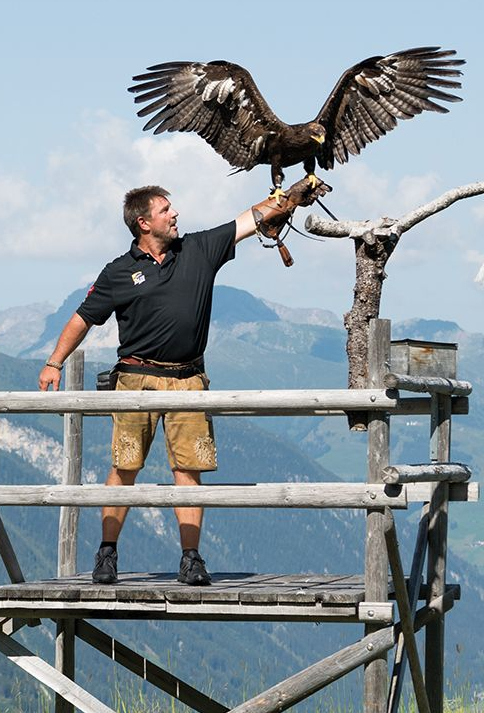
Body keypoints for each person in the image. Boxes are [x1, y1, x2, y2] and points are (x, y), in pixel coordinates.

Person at [37, 179, 322, 585]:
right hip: (135, 381)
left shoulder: (199, 250)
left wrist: (285, 197)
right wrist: (54, 362)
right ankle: (107, 554)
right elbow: (83, 317)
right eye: (166, 210)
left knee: (189, 470)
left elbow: (250, 219)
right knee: (125, 467)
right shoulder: (119, 271)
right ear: (143, 222)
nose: (175, 215)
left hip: (189, 379)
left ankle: (191, 559)